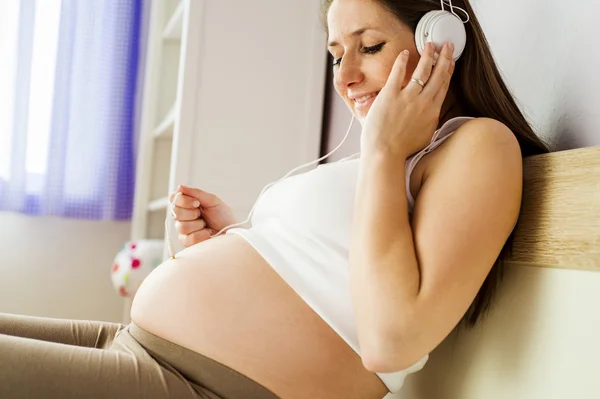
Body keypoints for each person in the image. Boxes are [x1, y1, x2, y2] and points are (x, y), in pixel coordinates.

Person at [0, 0, 550, 398]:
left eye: (370, 46)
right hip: (134, 343)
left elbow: (392, 342)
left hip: (195, 384)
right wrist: (231, 240)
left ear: (443, 41)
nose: (347, 76)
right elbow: (329, 277)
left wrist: (382, 148)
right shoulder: (384, 162)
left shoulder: (477, 146)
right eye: (336, 56)